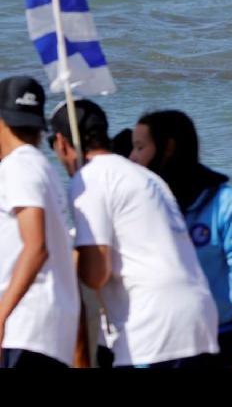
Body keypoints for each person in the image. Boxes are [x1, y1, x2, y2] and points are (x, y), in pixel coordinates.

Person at [50, 99, 219, 367]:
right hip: (200, 319)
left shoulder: (89, 177)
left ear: (61, 142)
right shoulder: (145, 176)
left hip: (152, 329)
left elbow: (95, 274)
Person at [130, 110, 232, 367]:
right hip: (152, 343)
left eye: (139, 147)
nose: (131, 158)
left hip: (217, 339)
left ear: (168, 148)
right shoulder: (138, 203)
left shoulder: (225, 202)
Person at [0, 76, 79, 368]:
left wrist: (1, 317)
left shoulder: (18, 165)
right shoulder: (44, 169)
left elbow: (36, 247)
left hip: (24, 327)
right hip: (50, 331)